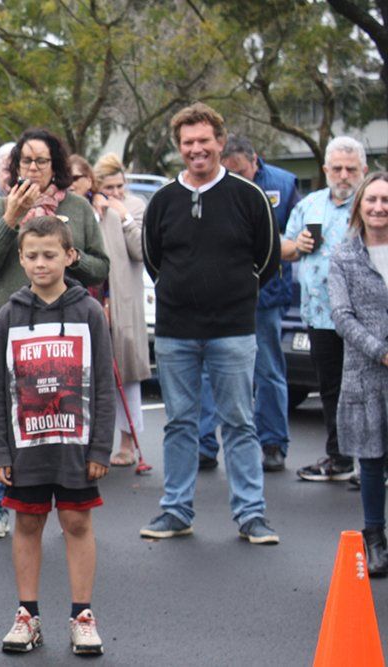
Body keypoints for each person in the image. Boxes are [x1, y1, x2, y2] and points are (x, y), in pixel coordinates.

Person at [140, 103, 281, 544]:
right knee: (180, 423)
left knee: (240, 423)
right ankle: (176, 511)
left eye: (204, 141)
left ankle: (252, 516)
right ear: (178, 148)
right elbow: (152, 259)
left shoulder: (248, 196)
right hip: (176, 332)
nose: (196, 150)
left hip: (234, 330)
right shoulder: (162, 201)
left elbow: (269, 258)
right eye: (188, 143)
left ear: (220, 141)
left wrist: (234, 292)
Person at [0, 127, 109, 540]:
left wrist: (66, 254)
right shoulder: (0, 207)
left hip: (65, 335)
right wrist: (12, 221)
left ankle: (63, 499)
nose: (33, 168)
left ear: (57, 167)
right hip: (5, 327)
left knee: (56, 416)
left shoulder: (79, 210)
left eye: (41, 161)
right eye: (25, 161)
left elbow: (101, 267)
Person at [0, 216, 113, 656]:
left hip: (76, 446)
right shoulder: (9, 315)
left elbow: (104, 384)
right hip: (25, 447)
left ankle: (82, 615)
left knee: (77, 522)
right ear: (20, 259)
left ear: (69, 256)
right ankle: (27, 615)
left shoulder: (89, 312)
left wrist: (100, 446)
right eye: (32, 256)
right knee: (28, 522)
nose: (41, 264)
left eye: (50, 255)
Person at [197, 136, 301, 473]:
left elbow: (296, 239)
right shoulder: (212, 184)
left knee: (268, 370)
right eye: (231, 173)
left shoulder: (284, 185)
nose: (237, 178)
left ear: (256, 161)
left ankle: (273, 443)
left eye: (242, 171)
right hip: (220, 294)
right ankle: (204, 444)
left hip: (266, 294)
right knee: (210, 369)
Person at [282, 136, 369, 483]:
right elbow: (283, 247)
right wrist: (297, 244)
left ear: (363, 170)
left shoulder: (373, 203)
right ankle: (340, 458)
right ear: (325, 170)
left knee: (369, 389)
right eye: (337, 168)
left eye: (351, 169)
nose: (344, 175)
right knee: (331, 387)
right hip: (319, 314)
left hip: (366, 317)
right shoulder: (310, 205)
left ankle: (376, 464)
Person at [328, 172, 388, 577]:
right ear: (359, 207)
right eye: (372, 201)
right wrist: (380, 351)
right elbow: (340, 316)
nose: (379, 208)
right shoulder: (343, 256)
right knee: (371, 459)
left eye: (386, 200)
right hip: (365, 372)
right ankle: (375, 539)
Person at [91, 153, 151, 467]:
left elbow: (141, 250)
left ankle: (128, 442)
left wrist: (124, 216)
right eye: (108, 186)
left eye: (119, 185)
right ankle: (95, 442)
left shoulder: (136, 206)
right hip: (96, 299)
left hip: (126, 302)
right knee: (94, 374)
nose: (115, 192)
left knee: (128, 374)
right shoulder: (91, 208)